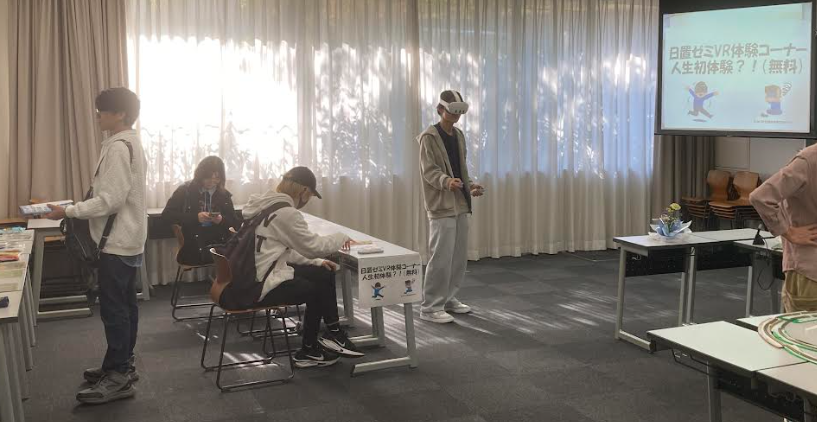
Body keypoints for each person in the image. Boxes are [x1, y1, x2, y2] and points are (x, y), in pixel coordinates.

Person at [45, 87, 147, 404]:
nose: (98, 116)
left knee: (115, 311)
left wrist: (69, 211)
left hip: (117, 242)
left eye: (102, 110)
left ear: (120, 114)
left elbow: (110, 200)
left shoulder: (118, 147)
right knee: (125, 307)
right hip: (128, 239)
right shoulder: (130, 142)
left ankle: (118, 376)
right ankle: (121, 365)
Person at [217, 166, 364, 367]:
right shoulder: (286, 213)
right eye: (310, 195)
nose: (308, 200)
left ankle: (331, 333)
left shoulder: (263, 205)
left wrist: (317, 262)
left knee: (323, 272)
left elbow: (282, 250)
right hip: (257, 285)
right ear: (303, 190)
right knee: (315, 290)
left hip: (245, 278)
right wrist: (341, 237)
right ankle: (313, 347)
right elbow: (313, 247)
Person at [416, 90, 485, 324]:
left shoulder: (459, 135)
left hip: (460, 202)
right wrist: (446, 182)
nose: (456, 116)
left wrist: (469, 185)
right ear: (439, 110)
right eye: (452, 111)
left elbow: (460, 167)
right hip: (441, 204)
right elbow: (428, 171)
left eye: (459, 112)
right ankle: (430, 306)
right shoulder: (429, 137)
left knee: (457, 256)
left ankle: (447, 299)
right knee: (441, 256)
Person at [750, 143, 817, 313]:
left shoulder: (808, 160)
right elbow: (761, 197)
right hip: (810, 274)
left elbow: (761, 198)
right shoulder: (808, 161)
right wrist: (788, 232)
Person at [162, 156, 240, 265]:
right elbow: (166, 216)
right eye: (208, 178)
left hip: (220, 243)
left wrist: (221, 220)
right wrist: (196, 218)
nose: (212, 182)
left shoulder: (223, 194)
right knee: (233, 258)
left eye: (217, 178)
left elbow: (235, 223)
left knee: (241, 254)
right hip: (193, 245)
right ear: (200, 175)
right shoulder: (185, 191)